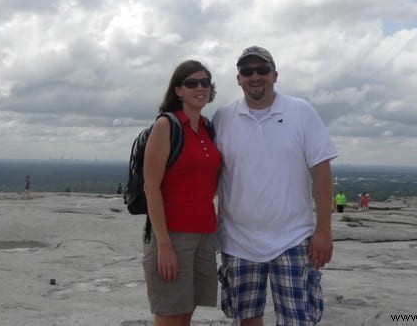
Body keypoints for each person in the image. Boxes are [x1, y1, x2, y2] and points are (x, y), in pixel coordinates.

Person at [213, 46, 338, 326]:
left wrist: (324, 230)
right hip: (237, 240)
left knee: (298, 319)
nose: (255, 76)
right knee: (247, 320)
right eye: (247, 71)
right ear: (238, 79)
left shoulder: (301, 111)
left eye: (262, 70)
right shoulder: (223, 118)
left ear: (275, 75)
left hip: (293, 238)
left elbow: (321, 174)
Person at [142, 60, 221, 326]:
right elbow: (150, 186)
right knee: (170, 313)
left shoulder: (208, 129)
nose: (200, 88)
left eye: (205, 82)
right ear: (178, 90)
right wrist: (164, 245)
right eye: (192, 83)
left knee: (186, 311)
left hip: (205, 233)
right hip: (173, 235)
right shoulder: (167, 126)